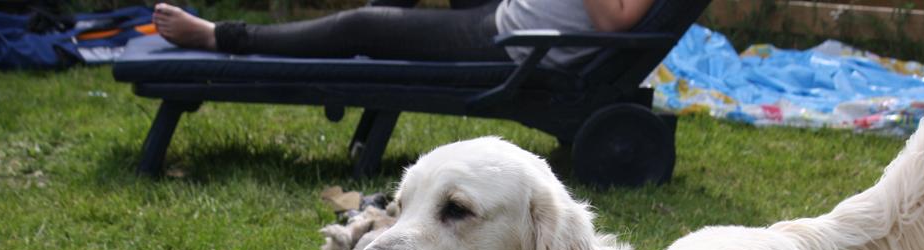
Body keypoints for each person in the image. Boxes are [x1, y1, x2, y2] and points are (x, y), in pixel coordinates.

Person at [152, 0, 656, 69]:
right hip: (510, 16)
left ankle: (223, 37)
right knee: (376, 21)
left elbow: (616, 19)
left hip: (508, 41)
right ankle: (392, 22)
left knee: (362, 27)